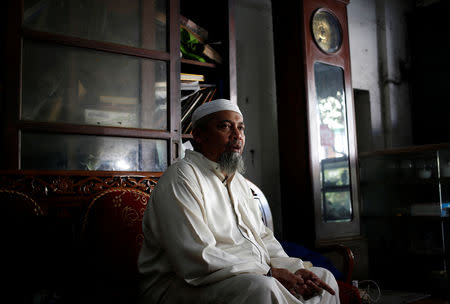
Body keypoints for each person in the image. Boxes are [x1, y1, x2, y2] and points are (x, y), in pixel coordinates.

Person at [137, 99, 340, 304]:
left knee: (324, 278)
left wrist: (294, 269)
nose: (237, 135)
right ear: (199, 136)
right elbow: (196, 257)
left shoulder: (239, 182)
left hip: (252, 275)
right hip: (180, 285)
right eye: (225, 126)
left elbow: (263, 238)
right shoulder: (182, 177)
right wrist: (269, 273)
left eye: (241, 128)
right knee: (261, 288)